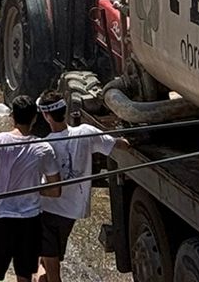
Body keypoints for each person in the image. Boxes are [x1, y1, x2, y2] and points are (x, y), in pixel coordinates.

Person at [34, 98, 116, 282]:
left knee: (52, 270)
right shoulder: (85, 132)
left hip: (46, 211)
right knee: (48, 260)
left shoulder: (43, 146)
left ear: (47, 117)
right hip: (71, 213)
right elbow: (117, 144)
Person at [0, 96, 47, 282]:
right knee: (24, 276)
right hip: (30, 221)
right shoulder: (43, 147)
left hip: (0, 219)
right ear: (35, 118)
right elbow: (55, 189)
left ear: (12, 116)